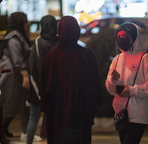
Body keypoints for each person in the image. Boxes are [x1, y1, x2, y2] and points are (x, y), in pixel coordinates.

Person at [39, 16, 103, 144]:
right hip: (80, 112)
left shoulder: (51, 56)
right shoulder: (86, 55)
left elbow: (44, 86)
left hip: (56, 112)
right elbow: (95, 85)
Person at [105, 23, 148, 144]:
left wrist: (131, 90)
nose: (121, 39)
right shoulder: (117, 59)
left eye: (124, 36)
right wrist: (113, 80)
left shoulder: (146, 59)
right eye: (118, 37)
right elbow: (110, 90)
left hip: (139, 113)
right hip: (121, 113)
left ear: (135, 37)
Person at [26, 15, 59, 144]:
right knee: (55, 118)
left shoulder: (39, 42)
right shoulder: (59, 42)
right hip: (56, 87)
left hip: (38, 85)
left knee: (33, 117)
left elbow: (33, 65)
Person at [0, 12, 30, 140]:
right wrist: (25, 75)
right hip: (11, 75)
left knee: (15, 103)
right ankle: (2, 133)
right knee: (10, 103)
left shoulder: (16, 36)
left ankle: (4, 131)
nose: (28, 24)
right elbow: (17, 58)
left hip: (13, 74)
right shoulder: (14, 38)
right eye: (25, 21)